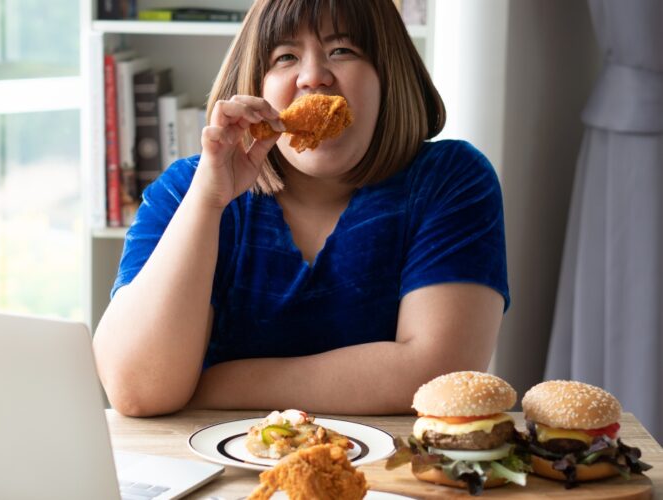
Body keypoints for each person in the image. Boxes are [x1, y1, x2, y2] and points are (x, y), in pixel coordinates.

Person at [93, 0, 509, 417]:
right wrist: (208, 200)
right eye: (285, 57)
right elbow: (137, 388)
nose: (313, 77)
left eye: (342, 50)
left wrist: (212, 384)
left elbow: (437, 375)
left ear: (388, 75)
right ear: (255, 85)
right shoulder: (190, 190)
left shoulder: (450, 180)